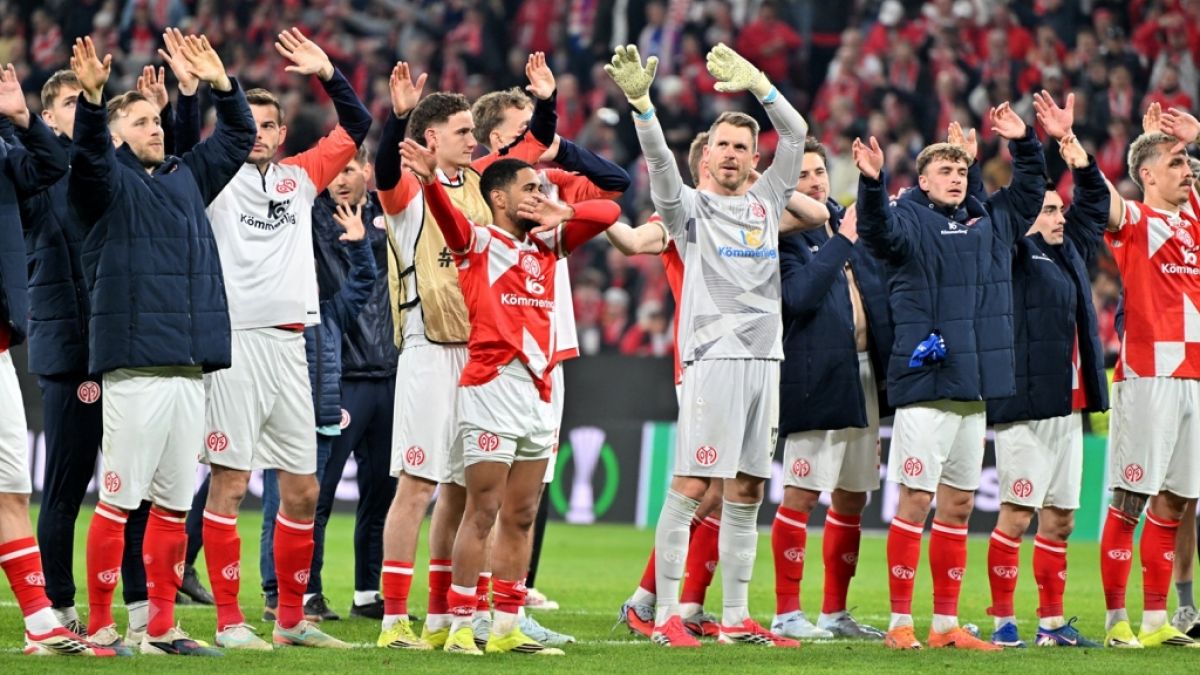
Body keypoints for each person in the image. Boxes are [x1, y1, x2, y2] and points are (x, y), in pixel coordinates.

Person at [612, 42, 808, 648]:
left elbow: (796, 133)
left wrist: (757, 82)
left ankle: (733, 617)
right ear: (708, 155)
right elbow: (661, 166)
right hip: (713, 356)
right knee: (693, 486)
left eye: (741, 147)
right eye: (722, 144)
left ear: (755, 160)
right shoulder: (686, 208)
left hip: (765, 358)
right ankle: (668, 614)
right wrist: (643, 106)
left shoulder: (766, 201)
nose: (731, 153)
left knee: (747, 487)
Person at [70, 31, 254, 656]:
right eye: (143, 121)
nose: (156, 127)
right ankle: (99, 630)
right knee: (120, 502)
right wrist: (94, 103)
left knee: (175, 507)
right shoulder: (103, 184)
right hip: (135, 367)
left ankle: (159, 629)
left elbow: (235, 140)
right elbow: (91, 158)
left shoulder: (183, 177)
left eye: (158, 119)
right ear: (120, 133)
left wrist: (222, 86)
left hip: (189, 366)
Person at [398, 144, 620, 655]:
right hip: (491, 388)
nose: (540, 195)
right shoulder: (477, 243)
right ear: (499, 198)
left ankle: (506, 628)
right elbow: (447, 220)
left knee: (521, 514)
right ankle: (459, 627)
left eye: (543, 189)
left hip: (540, 391)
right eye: (530, 188)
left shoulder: (548, 246)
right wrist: (431, 181)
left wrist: (560, 210)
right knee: (483, 510)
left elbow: (609, 210)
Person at [198, 26, 370, 650]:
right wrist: (218, 91)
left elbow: (357, 124)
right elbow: (214, 127)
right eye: (253, 124)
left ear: (282, 135)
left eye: (272, 125)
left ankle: (291, 620)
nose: (263, 134)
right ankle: (228, 620)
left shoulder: (300, 178)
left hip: (293, 347)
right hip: (236, 344)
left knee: (303, 488)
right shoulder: (215, 179)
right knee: (232, 483)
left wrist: (328, 72)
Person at [373, 60, 554, 651]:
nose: (473, 141)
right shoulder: (405, 188)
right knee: (417, 484)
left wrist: (544, 103)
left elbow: (528, 155)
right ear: (430, 139)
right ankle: (392, 619)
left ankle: (441, 619)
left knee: (457, 490)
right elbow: (384, 170)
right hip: (428, 346)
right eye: (462, 132)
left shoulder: (477, 185)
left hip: (478, 357)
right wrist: (395, 117)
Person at [852, 101, 1046, 651]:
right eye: (945, 171)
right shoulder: (908, 219)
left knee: (958, 506)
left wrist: (1024, 143)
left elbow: (1029, 193)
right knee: (916, 500)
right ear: (923, 179)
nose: (956, 178)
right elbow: (877, 232)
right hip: (926, 382)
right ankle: (897, 624)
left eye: (962, 170)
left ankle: (944, 625)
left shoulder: (988, 222)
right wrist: (870, 183)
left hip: (975, 383)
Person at [470, 68, 631, 643]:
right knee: (481, 496)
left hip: (549, 349)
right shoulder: (481, 184)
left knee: (525, 498)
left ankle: (511, 607)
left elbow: (614, 187)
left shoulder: (546, 183)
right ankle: (473, 606)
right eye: (523, 131)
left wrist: (559, 153)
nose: (536, 141)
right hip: (493, 352)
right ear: (497, 142)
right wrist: (547, 122)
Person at [983, 92, 1109, 649]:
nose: (1061, 215)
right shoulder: (1008, 251)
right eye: (1050, 208)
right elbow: (1025, 196)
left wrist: (1071, 147)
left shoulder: (1070, 250)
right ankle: (1004, 622)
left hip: (1068, 407)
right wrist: (1026, 145)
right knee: (1017, 514)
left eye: (1061, 209)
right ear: (1030, 212)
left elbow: (1095, 202)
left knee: (1058, 519)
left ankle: (1052, 624)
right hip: (1024, 407)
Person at [0, 60, 114, 658]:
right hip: (69, 351)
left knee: (120, 488)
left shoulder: (102, 174)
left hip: (116, 350)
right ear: (48, 116)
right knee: (63, 488)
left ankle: (112, 608)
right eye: (72, 104)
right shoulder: (37, 173)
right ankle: (59, 605)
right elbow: (46, 165)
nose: (84, 111)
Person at [772, 137, 891, 641]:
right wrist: (841, 239)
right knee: (800, 493)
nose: (816, 181)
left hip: (864, 374)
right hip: (815, 375)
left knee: (852, 498)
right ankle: (786, 612)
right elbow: (797, 298)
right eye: (803, 176)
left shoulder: (849, 226)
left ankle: (835, 614)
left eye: (820, 172)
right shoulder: (781, 238)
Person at [1097, 101, 1200, 648]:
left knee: (1177, 501)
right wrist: (1071, 146)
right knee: (1130, 499)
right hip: (1148, 373)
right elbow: (1101, 199)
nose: (1189, 170)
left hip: (1195, 376)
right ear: (1148, 175)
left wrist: (1195, 134)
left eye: (1190, 162)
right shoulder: (1136, 219)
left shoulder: (1195, 216)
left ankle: (1158, 622)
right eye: (1179, 162)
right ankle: (1117, 622)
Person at [258, 196, 377, 624]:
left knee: (308, 506)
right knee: (279, 505)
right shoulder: (268, 315)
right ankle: (275, 592)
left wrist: (360, 244)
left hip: (323, 419)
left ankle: (298, 593)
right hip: (283, 421)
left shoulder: (329, 313)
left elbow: (364, 282)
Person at [290, 145, 396, 621]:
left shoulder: (391, 211)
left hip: (390, 371)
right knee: (321, 492)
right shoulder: (311, 216)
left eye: (352, 168)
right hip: (339, 372)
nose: (342, 177)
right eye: (336, 168)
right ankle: (307, 589)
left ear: (369, 171)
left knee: (380, 492)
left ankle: (367, 593)